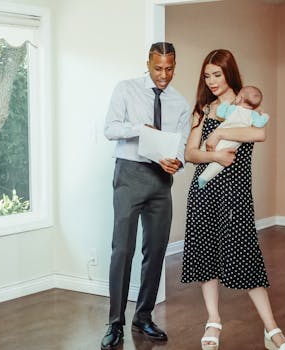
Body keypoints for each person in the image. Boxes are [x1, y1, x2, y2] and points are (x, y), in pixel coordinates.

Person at [181, 49, 285, 350]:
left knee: (246, 256)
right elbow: (190, 153)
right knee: (206, 256)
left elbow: (259, 135)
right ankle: (213, 320)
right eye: (207, 76)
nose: (211, 81)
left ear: (229, 73)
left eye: (217, 74)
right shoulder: (202, 109)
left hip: (235, 192)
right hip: (204, 192)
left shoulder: (245, 106)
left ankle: (272, 330)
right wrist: (215, 154)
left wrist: (218, 133)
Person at [101, 42, 191, 350]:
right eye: (158, 68)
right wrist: (140, 128)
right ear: (148, 63)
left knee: (156, 251)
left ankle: (144, 316)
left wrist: (176, 161)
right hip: (129, 174)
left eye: (169, 69)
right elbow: (110, 129)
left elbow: (180, 144)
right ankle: (115, 323)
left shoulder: (179, 102)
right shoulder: (125, 89)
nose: (163, 75)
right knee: (122, 251)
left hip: (160, 180)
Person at [197, 85, 269, 188]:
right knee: (218, 164)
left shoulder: (233, 109)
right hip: (231, 144)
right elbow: (259, 124)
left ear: (239, 98)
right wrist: (264, 116)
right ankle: (204, 178)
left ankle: (201, 154)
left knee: (206, 144)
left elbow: (220, 113)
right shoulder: (253, 115)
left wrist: (226, 104)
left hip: (218, 138)